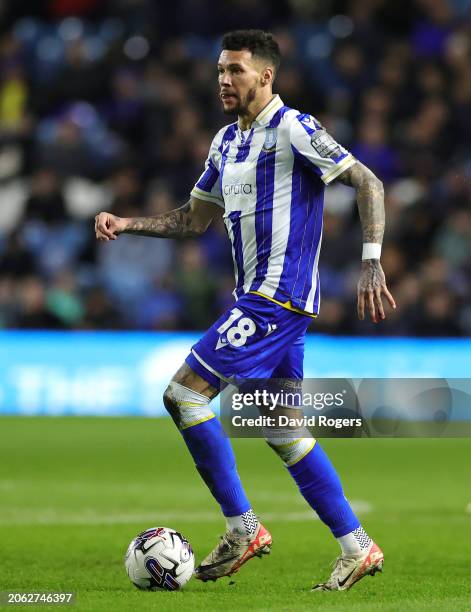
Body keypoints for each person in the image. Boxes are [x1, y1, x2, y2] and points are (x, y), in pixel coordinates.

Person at [95, 30, 396, 592]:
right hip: (262, 301)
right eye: (219, 71)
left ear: (266, 75)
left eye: (234, 70)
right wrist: (128, 223)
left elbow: (367, 181)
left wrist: (371, 261)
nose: (223, 81)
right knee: (281, 427)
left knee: (183, 395)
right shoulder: (225, 142)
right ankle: (356, 546)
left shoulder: (295, 128)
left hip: (276, 298)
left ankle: (242, 527)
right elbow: (193, 219)